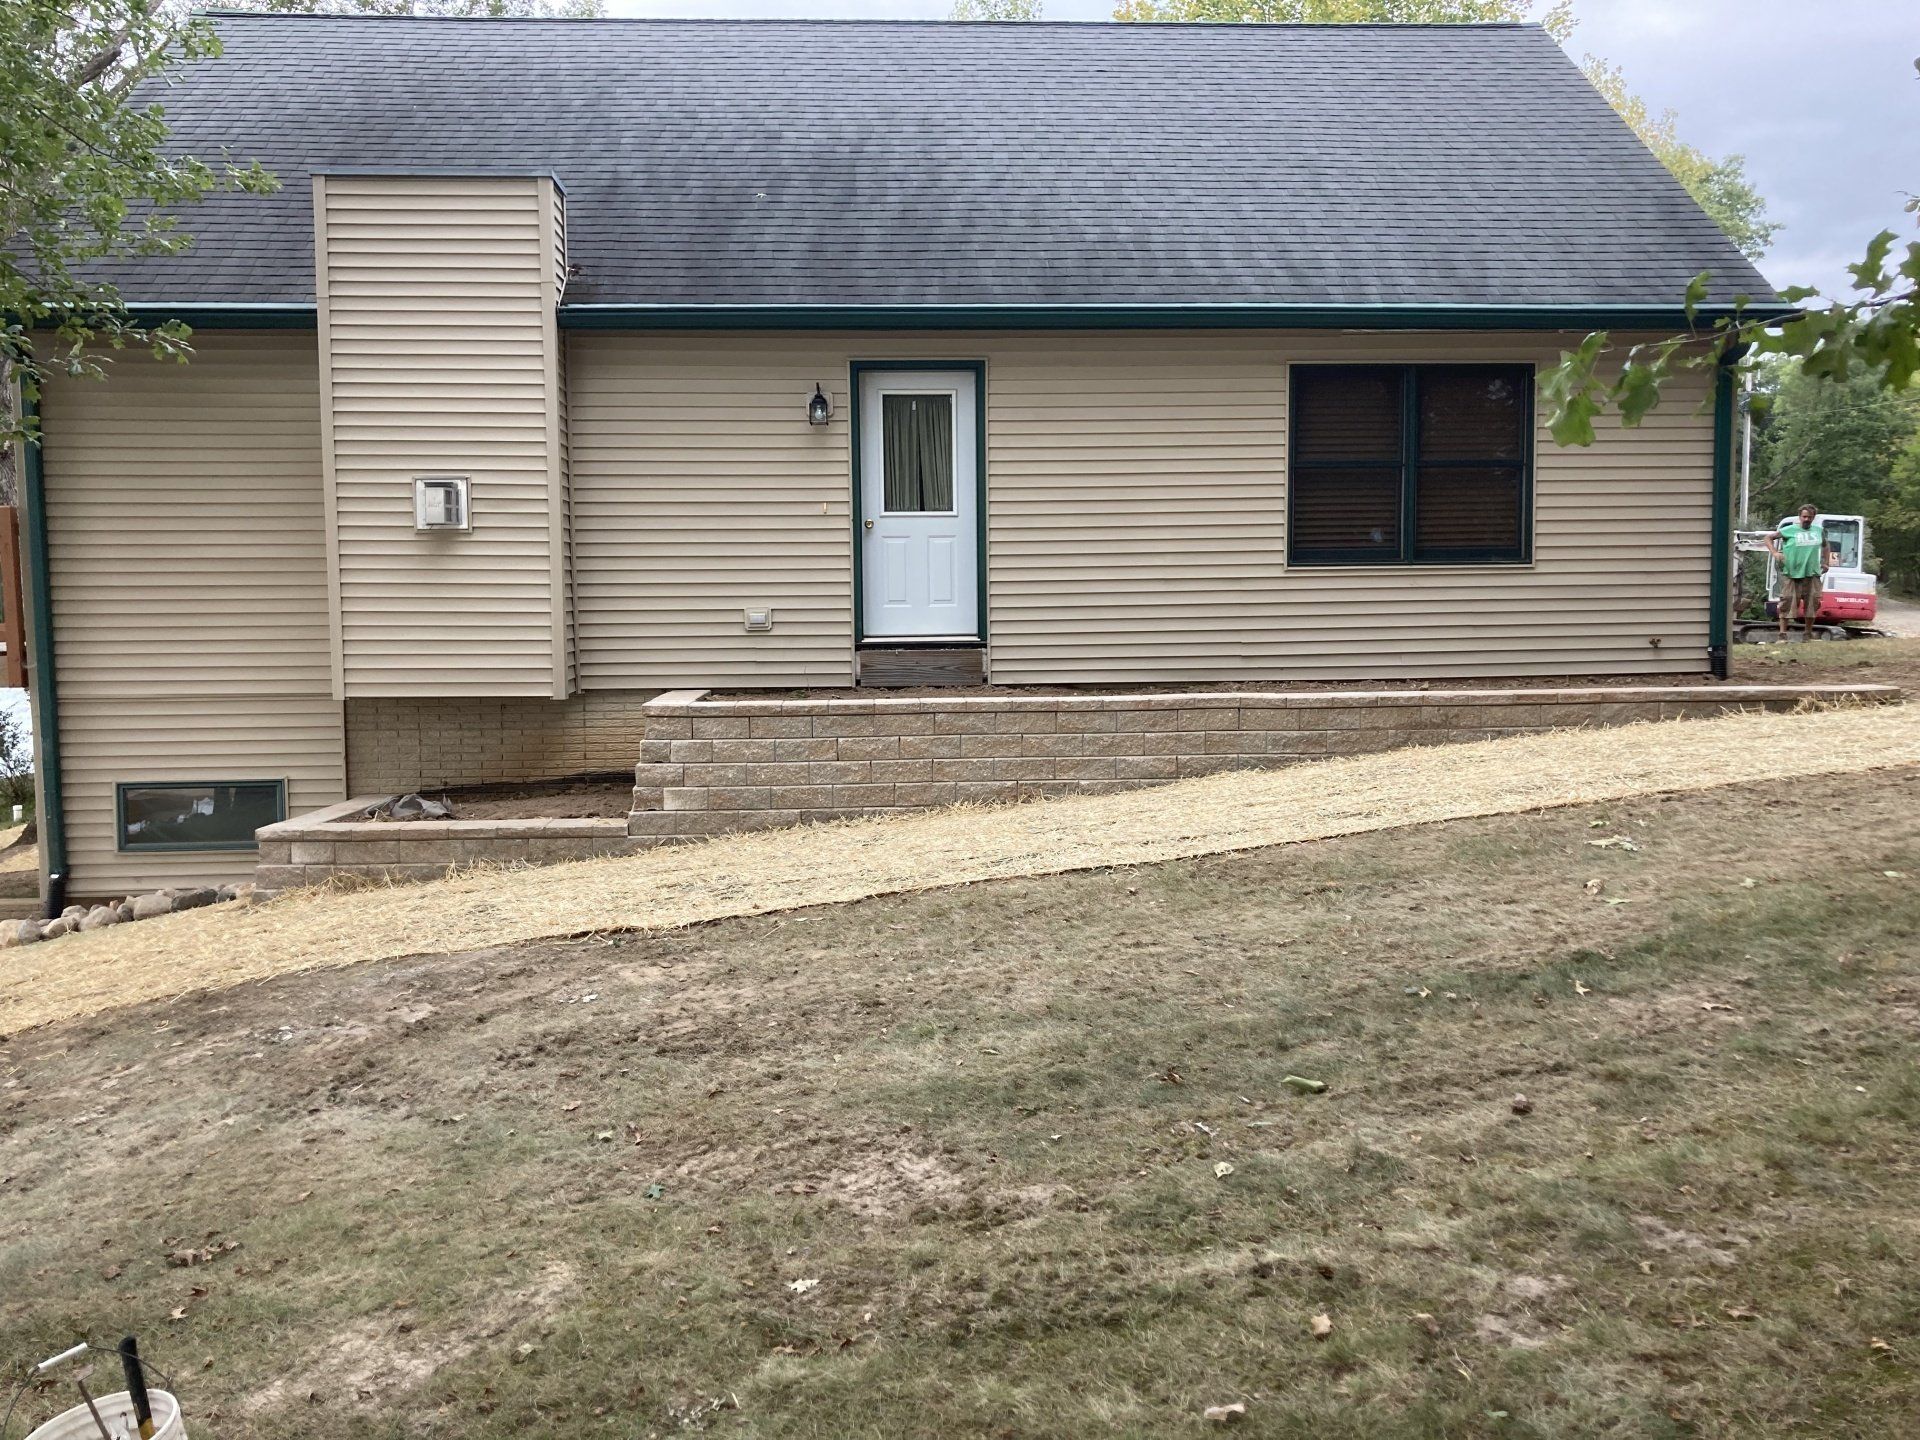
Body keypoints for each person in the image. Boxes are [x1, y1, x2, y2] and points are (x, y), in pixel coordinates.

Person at [1770, 504, 1829, 640]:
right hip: (1791, 573)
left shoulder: (1819, 531)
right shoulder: (1789, 530)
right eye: (1804, 516)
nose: (1806, 519)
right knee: (1787, 602)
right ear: (1800, 517)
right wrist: (1775, 553)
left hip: (1812, 573)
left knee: (1812, 603)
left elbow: (1826, 545)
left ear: (1813, 517)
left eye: (1809, 517)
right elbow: (1768, 538)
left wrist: (1826, 562)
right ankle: (1783, 634)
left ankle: (1807, 634)